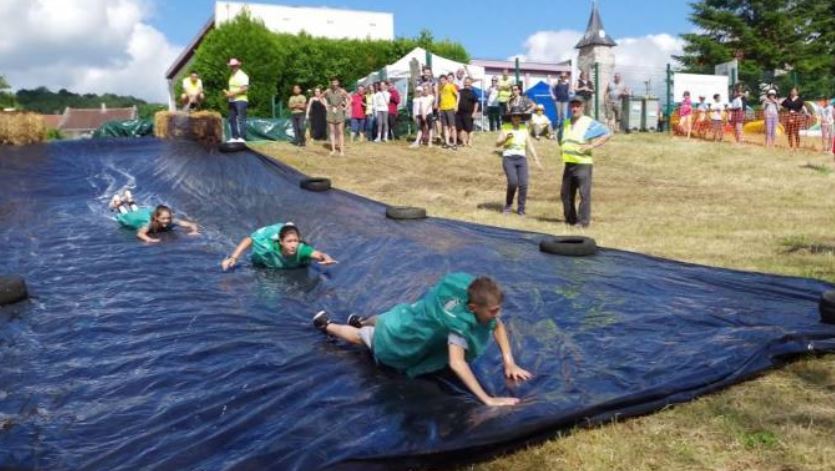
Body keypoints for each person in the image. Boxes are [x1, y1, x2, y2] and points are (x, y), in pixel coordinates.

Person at [312, 273, 532, 406]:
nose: (497, 315)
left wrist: (509, 361)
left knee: (388, 317)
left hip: (412, 314)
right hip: (401, 338)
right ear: (473, 307)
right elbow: (457, 363)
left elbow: (497, 325)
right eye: (493, 310)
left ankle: (360, 320)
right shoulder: (458, 324)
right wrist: (488, 399)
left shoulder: (469, 292)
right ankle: (328, 325)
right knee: (363, 337)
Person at [559, 97, 611, 228]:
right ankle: (570, 220)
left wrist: (592, 146)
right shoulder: (565, 123)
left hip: (583, 163)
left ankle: (583, 222)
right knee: (565, 194)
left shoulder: (588, 122)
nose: (575, 108)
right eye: (573, 106)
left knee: (584, 194)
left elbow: (607, 133)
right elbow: (561, 138)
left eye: (578, 106)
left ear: (582, 108)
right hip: (569, 163)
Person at [221, 221, 336, 271]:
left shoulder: (302, 249)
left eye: (295, 241)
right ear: (280, 241)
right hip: (269, 266)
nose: (293, 245)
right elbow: (250, 239)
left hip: (292, 268)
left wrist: (327, 258)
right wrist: (233, 258)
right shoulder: (267, 245)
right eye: (289, 241)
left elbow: (318, 255)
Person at [497, 110, 543, 216]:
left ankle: (521, 209)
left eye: (519, 116)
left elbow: (530, 145)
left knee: (523, 184)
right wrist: (505, 139)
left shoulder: (524, 129)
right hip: (509, 158)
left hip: (521, 159)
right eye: (514, 116)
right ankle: (508, 205)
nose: (517, 118)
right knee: (513, 182)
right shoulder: (506, 127)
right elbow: (497, 144)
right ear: (511, 117)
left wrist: (536, 160)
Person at [109, 190, 199, 243]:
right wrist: (149, 239)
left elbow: (191, 224)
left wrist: (194, 231)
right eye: (163, 219)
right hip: (139, 219)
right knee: (129, 216)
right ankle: (119, 204)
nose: (166, 221)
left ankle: (130, 200)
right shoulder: (149, 224)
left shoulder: (171, 221)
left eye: (168, 218)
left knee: (138, 212)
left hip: (144, 214)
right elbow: (140, 233)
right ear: (156, 218)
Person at [223, 58, 249, 143]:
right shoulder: (231, 76)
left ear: (238, 65)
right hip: (232, 101)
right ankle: (235, 137)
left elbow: (245, 88)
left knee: (241, 119)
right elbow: (233, 88)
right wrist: (228, 94)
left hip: (241, 100)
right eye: (231, 66)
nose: (233, 67)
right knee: (231, 119)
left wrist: (232, 94)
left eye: (234, 65)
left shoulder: (243, 75)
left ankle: (242, 138)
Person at [323, 78, 349, 156]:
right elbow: (321, 97)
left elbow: (350, 99)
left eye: (336, 82)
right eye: (333, 82)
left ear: (338, 83)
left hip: (339, 110)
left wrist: (346, 107)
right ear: (331, 83)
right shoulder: (328, 91)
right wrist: (325, 105)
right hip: (331, 111)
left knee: (340, 131)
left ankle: (341, 151)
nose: (334, 84)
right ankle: (333, 149)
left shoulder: (342, 91)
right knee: (332, 131)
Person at [781, 87, 807, 151]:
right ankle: (791, 147)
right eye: (792, 91)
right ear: (790, 92)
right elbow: (782, 106)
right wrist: (785, 112)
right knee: (789, 132)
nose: (793, 92)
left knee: (796, 132)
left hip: (797, 116)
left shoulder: (799, 99)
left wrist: (806, 113)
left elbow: (803, 107)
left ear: (797, 92)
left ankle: (797, 147)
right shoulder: (787, 99)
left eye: (794, 91)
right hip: (789, 116)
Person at [456, 77, 479, 147]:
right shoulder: (459, 91)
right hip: (459, 113)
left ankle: (470, 141)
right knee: (461, 128)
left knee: (469, 129)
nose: (467, 83)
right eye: (465, 82)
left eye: (468, 82)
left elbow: (476, 103)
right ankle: (464, 142)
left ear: (471, 83)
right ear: (463, 83)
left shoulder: (473, 92)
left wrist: (474, 112)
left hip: (469, 113)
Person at [438, 75, 459, 149]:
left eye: (443, 80)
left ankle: (454, 143)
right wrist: (439, 107)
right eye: (440, 80)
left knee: (453, 126)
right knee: (445, 127)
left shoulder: (450, 86)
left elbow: (458, 95)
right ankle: (447, 143)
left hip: (450, 108)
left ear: (446, 80)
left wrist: (456, 105)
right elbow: (440, 98)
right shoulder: (440, 88)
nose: (442, 81)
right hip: (443, 109)